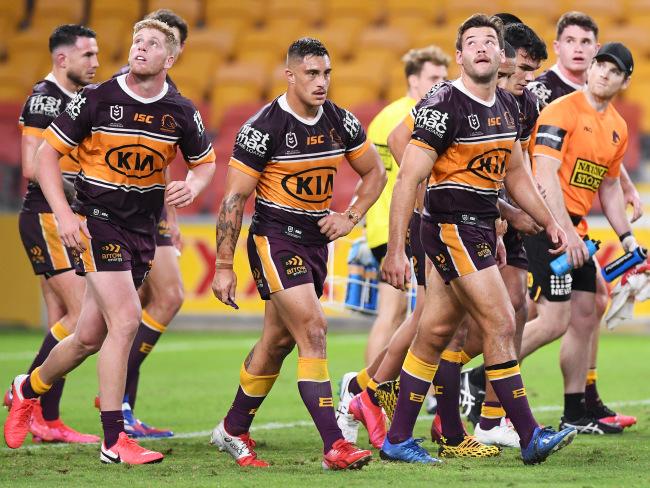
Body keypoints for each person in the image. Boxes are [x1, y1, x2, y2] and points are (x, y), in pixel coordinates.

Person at [4, 19, 216, 465]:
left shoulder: (181, 111)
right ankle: (113, 439)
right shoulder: (96, 98)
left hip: (141, 230)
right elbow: (45, 156)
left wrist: (193, 186)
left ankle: (29, 388)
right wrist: (64, 214)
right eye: (137, 40)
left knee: (87, 336)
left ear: (170, 58)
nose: (140, 48)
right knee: (126, 319)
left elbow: (206, 163)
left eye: (152, 43)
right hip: (97, 223)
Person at [379, 14, 576, 466]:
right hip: (450, 226)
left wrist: (547, 220)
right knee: (503, 320)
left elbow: (517, 174)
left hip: (481, 226)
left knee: (434, 333)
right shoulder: (443, 104)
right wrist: (394, 249)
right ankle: (528, 435)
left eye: (491, 41)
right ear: (460, 55)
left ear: (501, 55)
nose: (484, 48)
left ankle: (397, 438)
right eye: (473, 42)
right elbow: (409, 178)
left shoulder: (510, 107)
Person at [210, 37, 386, 470]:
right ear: (289, 75)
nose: (321, 81)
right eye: (311, 73)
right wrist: (223, 265)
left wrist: (351, 216)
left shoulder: (340, 120)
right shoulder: (262, 128)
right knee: (314, 329)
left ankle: (232, 429)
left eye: (326, 73)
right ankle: (334, 445)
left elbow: (375, 173)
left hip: (315, 241)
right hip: (274, 238)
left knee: (277, 342)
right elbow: (234, 201)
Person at [517, 42, 638, 434]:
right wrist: (565, 233)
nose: (603, 72)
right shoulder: (560, 110)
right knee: (552, 321)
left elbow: (609, 189)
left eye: (613, 70)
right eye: (600, 65)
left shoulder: (617, 128)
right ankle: (481, 379)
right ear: (590, 69)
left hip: (576, 232)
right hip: (545, 225)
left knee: (586, 315)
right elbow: (545, 175)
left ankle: (575, 412)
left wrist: (628, 239)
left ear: (625, 80)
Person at [336, 44, 450, 448]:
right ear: (413, 80)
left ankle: (368, 388)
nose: (440, 84)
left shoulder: (396, 114)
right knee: (410, 312)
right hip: (397, 226)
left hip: (388, 225)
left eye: (443, 77)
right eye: (433, 78)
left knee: (398, 311)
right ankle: (366, 386)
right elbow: (411, 176)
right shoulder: (402, 117)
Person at [7, 24, 100, 444]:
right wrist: (85, 186)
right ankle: (26, 390)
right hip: (46, 215)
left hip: (57, 216)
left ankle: (47, 418)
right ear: (62, 59)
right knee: (81, 318)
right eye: (87, 56)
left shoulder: (73, 99)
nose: (96, 63)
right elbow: (31, 166)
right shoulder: (46, 99)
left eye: (97, 55)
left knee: (60, 320)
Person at [105, 7, 190, 439]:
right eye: (150, 38)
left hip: (151, 208)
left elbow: (162, 158)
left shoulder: (168, 93)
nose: (154, 45)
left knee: (161, 298)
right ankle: (39, 391)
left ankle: (122, 403)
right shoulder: (127, 84)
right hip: (116, 210)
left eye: (167, 40)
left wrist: (170, 214)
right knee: (108, 319)